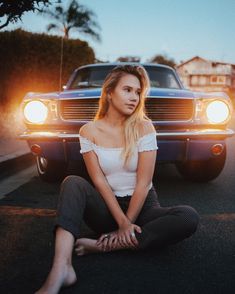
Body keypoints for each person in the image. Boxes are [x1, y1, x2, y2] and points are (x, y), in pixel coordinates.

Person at [35, 64, 199, 294]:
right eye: (127, 90)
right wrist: (121, 223)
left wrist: (127, 224)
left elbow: (143, 183)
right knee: (72, 182)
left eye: (138, 92)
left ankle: (105, 246)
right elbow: (99, 181)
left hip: (144, 208)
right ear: (109, 92)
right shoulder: (88, 131)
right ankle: (61, 268)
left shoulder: (144, 127)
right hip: (106, 210)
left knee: (188, 216)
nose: (134, 97)